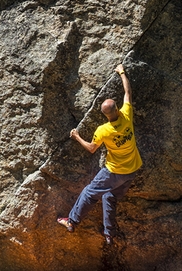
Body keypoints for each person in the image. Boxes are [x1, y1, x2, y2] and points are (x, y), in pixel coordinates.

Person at [57, 62, 142, 245]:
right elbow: (128, 93)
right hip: (132, 169)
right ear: (117, 110)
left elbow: (91, 149)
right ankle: (109, 234)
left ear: (105, 116)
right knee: (109, 196)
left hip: (114, 171)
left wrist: (77, 136)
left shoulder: (103, 130)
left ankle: (71, 221)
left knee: (89, 192)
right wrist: (122, 72)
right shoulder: (127, 116)